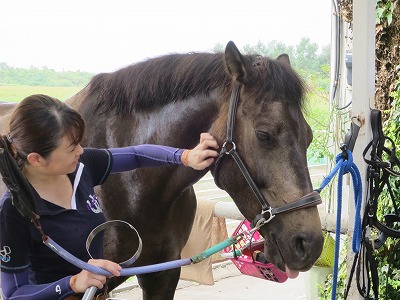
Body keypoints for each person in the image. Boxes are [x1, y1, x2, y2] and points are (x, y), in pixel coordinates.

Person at [0, 94, 219, 300]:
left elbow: (135, 155)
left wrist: (186, 156)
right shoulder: (13, 210)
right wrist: (73, 283)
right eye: (71, 148)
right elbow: (14, 293)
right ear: (37, 159)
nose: (80, 151)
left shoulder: (81, 168)